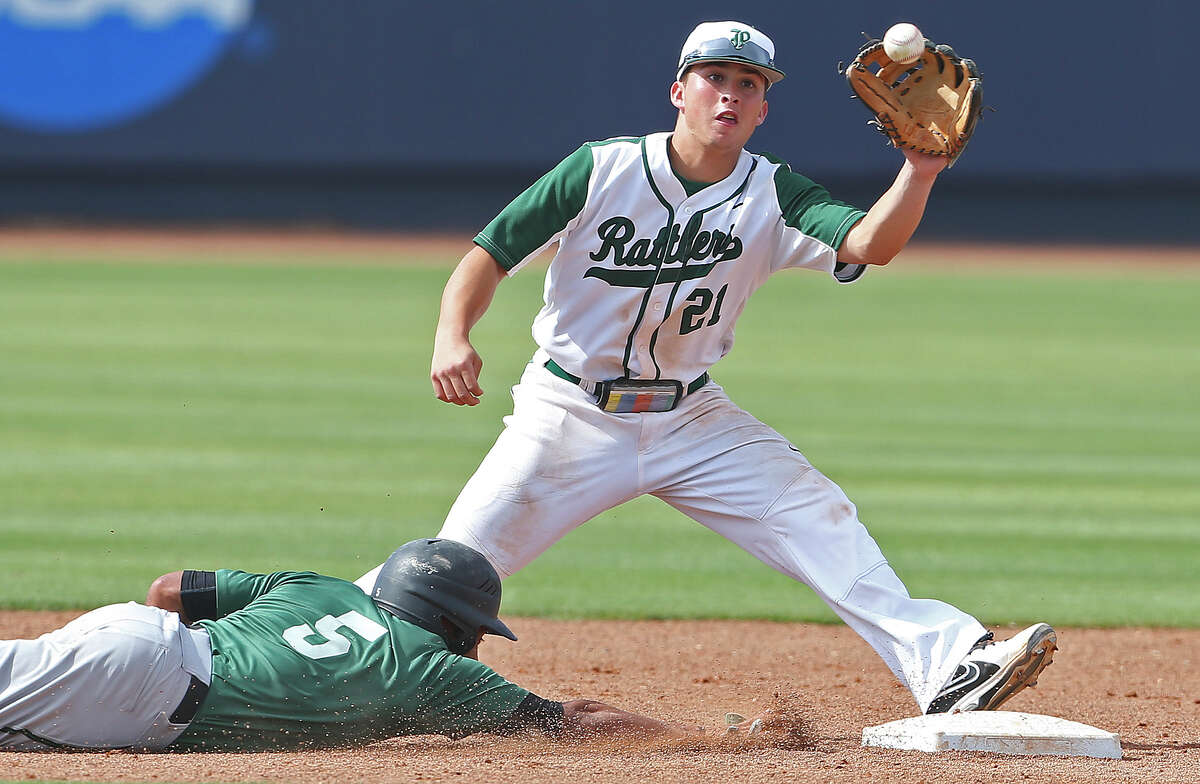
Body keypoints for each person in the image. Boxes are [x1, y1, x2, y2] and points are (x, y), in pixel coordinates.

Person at [357, 21, 1058, 717]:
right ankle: (310, 649)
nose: (728, 94)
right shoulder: (603, 169)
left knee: (815, 514)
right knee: (453, 564)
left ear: (762, 108)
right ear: (678, 91)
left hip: (692, 419)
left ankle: (950, 668)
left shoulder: (774, 192)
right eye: (714, 78)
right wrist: (452, 334)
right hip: (568, 415)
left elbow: (872, 243)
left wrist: (920, 170)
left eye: (746, 84)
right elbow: (490, 254)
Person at [0, 539, 685, 751]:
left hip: (135, 636)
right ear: (451, 621)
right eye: (476, 631)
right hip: (146, 692)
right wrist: (713, 742)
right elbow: (576, 721)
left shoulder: (317, 586)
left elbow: (168, 588)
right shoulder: (436, 670)